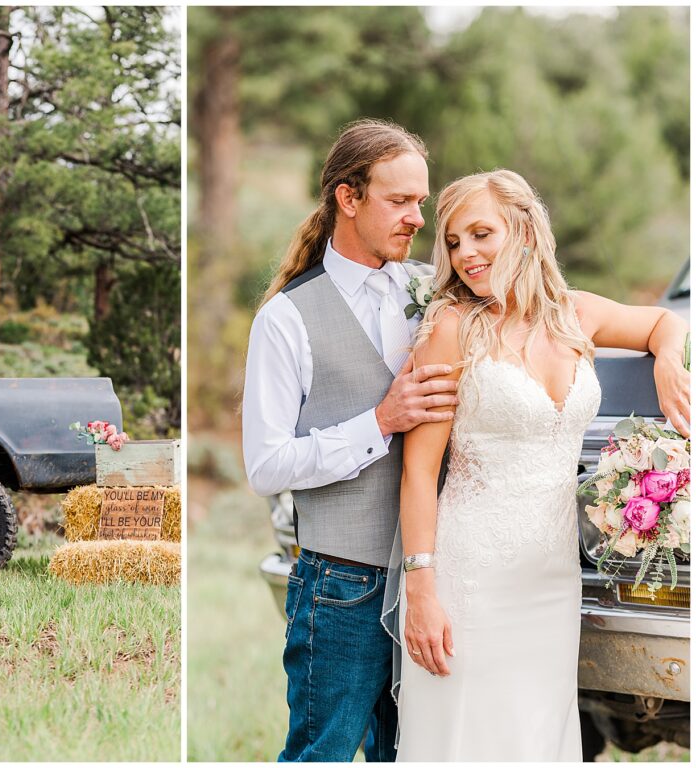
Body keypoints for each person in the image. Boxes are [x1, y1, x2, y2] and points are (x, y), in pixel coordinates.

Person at [392, 169, 689, 761]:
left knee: (535, 736)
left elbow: (663, 321)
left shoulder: (575, 315)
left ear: (524, 231)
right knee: (467, 737)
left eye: (481, 234)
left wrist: (668, 361)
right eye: (454, 242)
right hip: (469, 576)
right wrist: (421, 585)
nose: (466, 255)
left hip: (552, 580)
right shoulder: (451, 330)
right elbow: (419, 471)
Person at [242, 119, 460, 762]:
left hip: (440, 580)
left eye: (421, 200)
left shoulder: (434, 294)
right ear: (348, 197)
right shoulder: (285, 318)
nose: (417, 217)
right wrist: (380, 422)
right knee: (325, 752)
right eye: (400, 201)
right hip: (343, 585)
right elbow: (266, 465)